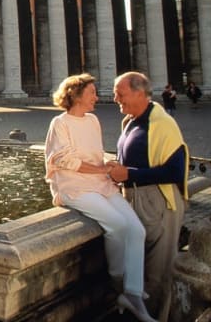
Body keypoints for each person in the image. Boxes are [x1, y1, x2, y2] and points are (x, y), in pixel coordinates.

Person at [45, 73, 156, 322]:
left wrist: (108, 162)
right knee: (116, 225)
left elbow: (95, 154)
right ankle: (118, 280)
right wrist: (101, 169)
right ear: (76, 94)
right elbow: (64, 160)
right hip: (74, 186)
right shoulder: (60, 123)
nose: (97, 96)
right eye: (92, 92)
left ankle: (133, 292)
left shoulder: (93, 120)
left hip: (100, 183)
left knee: (136, 230)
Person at [109, 71, 189, 322]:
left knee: (157, 273)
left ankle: (155, 317)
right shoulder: (131, 121)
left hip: (158, 202)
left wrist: (128, 173)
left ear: (139, 93)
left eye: (120, 94)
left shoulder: (163, 124)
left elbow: (176, 170)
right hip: (133, 198)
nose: (115, 99)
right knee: (138, 269)